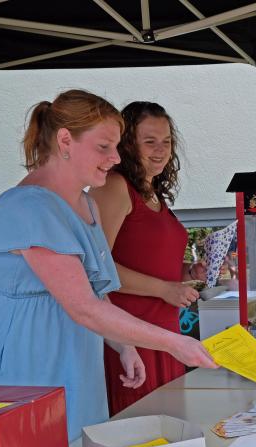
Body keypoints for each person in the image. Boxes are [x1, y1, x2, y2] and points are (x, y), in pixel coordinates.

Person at [0, 90, 217, 441]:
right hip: (22, 360)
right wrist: (172, 342)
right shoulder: (29, 207)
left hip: (72, 355)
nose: (114, 158)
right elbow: (84, 307)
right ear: (65, 141)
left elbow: (96, 291)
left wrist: (124, 345)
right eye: (104, 147)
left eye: (116, 147)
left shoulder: (85, 206)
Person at [89, 101, 208, 415]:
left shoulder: (153, 193)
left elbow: (146, 261)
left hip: (166, 337)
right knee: (140, 439)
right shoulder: (114, 187)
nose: (160, 150)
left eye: (167, 142)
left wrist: (186, 272)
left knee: (169, 434)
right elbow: (96, 269)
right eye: (150, 141)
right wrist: (164, 289)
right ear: (128, 144)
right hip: (129, 338)